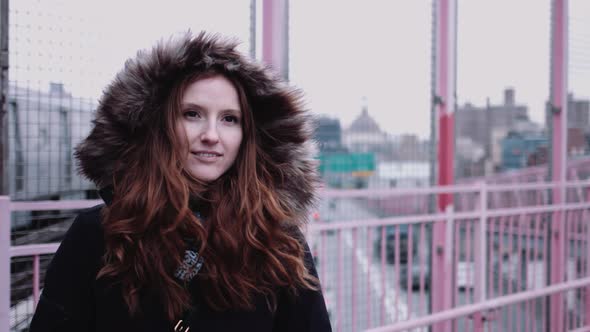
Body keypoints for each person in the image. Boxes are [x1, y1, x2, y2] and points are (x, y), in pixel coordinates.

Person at [29, 32, 332, 332]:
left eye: (230, 119)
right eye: (192, 114)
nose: (211, 135)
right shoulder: (98, 233)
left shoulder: (277, 239)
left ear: (247, 136)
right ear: (160, 126)